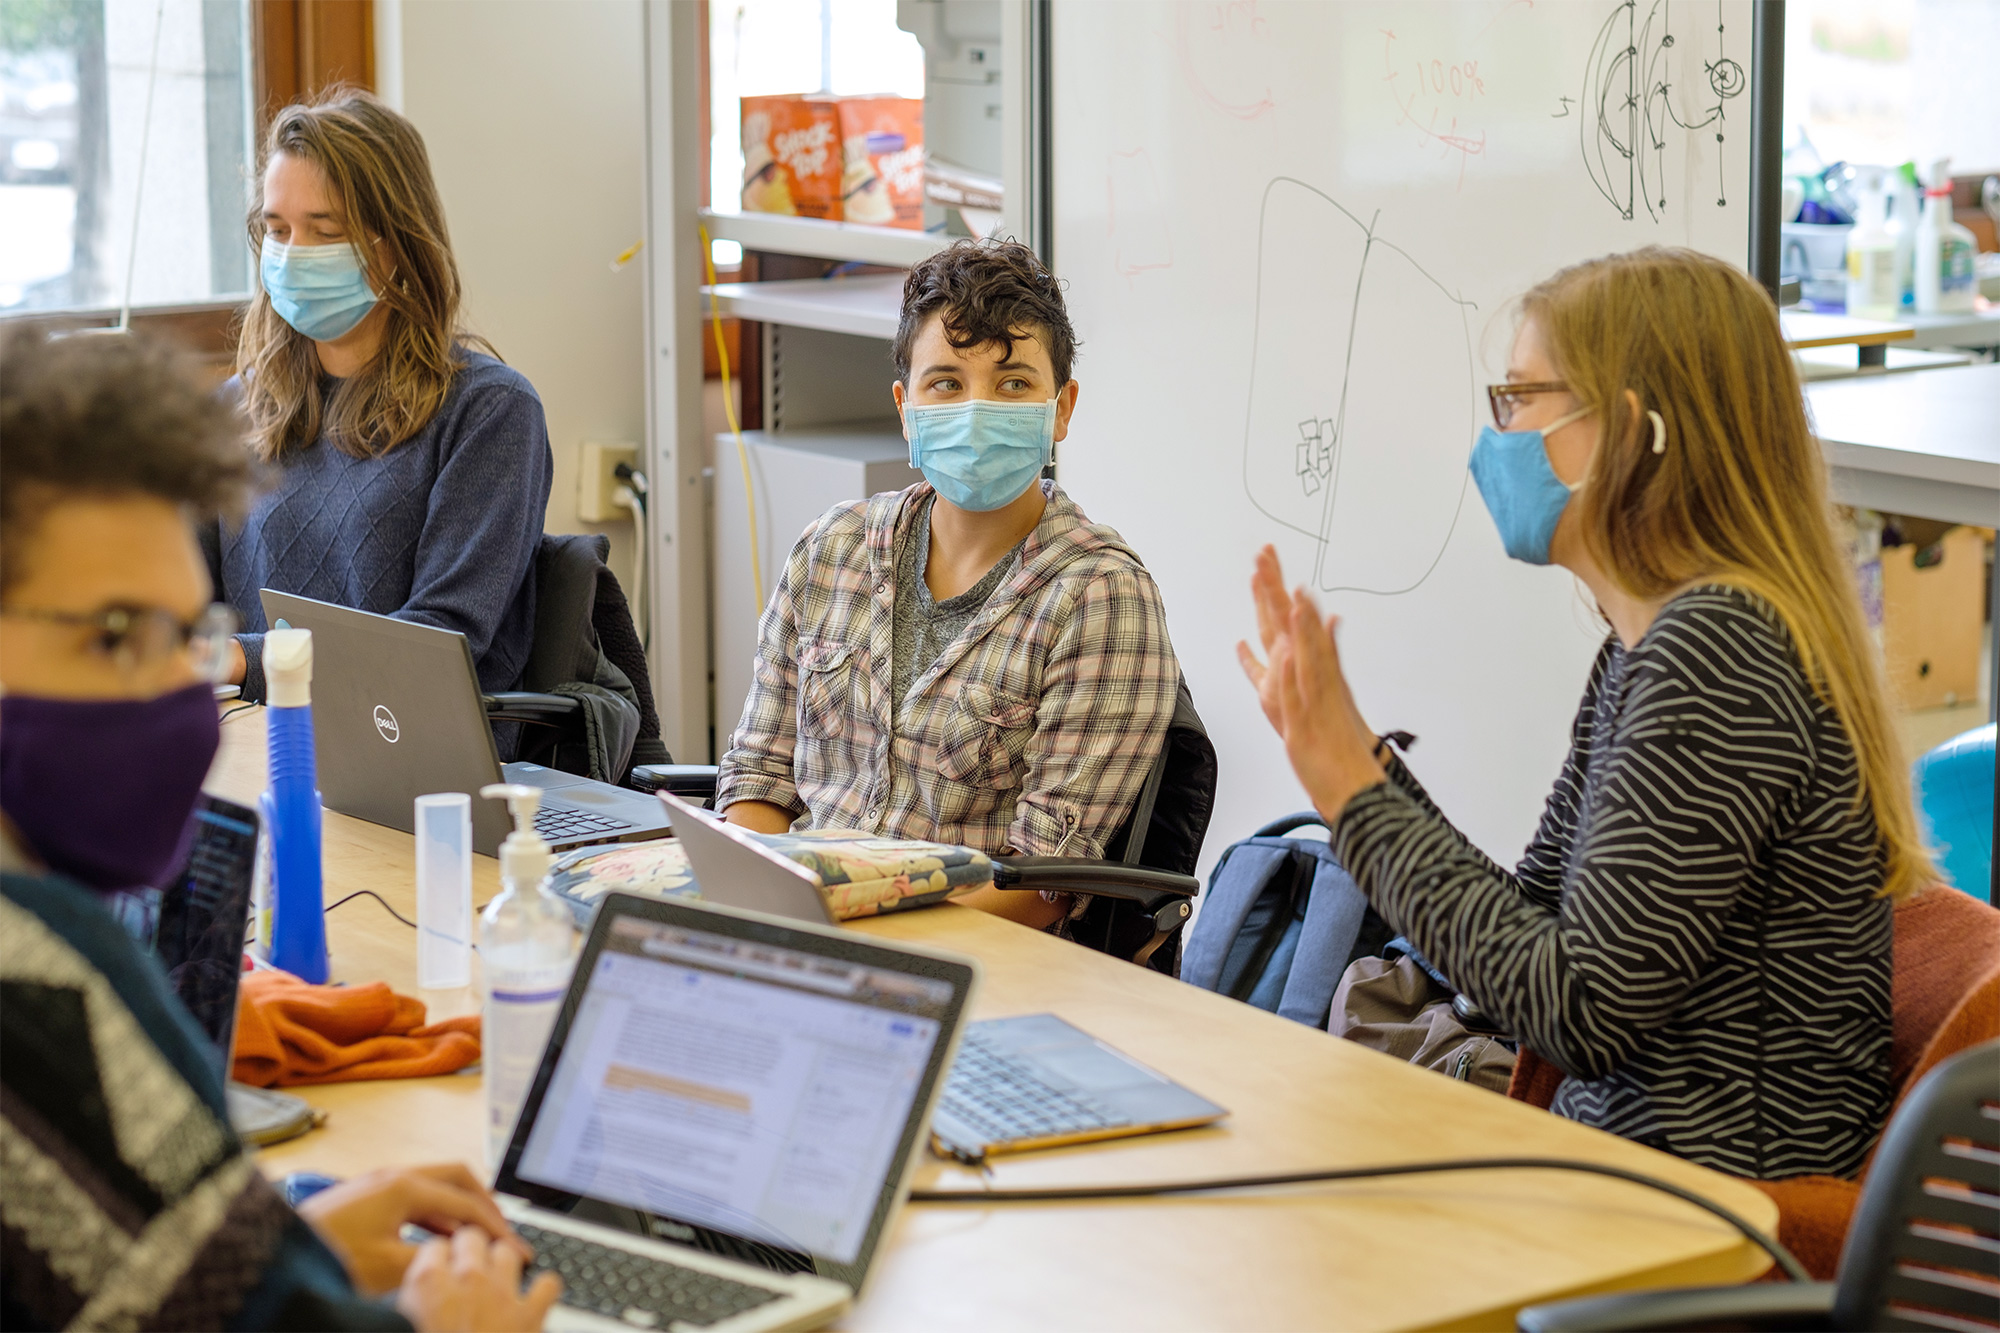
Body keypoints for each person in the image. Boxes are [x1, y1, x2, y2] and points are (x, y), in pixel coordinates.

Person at [1240, 247, 1926, 1180]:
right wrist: (1359, 767)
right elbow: (1533, 923)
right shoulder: (1645, 647)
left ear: (1637, 425)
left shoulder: (1716, 652)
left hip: (1705, 1215)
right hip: (1619, 1169)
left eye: (1522, 399)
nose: (1499, 432)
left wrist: (1354, 793)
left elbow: (1580, 1011)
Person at [0, 327, 559, 1332]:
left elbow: (146, 1285)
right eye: (116, 634)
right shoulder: (39, 975)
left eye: (191, 636)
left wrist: (283, 1250)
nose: (179, 687)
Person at [717, 240, 1180, 929]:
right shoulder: (830, 547)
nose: (976, 411)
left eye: (1014, 383)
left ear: (1062, 407)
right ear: (907, 408)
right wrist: (759, 894)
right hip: (797, 931)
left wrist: (852, 921)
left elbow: (1041, 882)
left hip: (971, 959)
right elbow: (759, 777)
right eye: (947, 384)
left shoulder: (1100, 596)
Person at [215, 88, 551, 733]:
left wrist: (239, 658)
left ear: (394, 241)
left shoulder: (489, 413)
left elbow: (437, 642)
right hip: (249, 747)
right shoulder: (235, 411)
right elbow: (178, 605)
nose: (291, 254)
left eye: (325, 230)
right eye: (277, 230)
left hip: (408, 763)